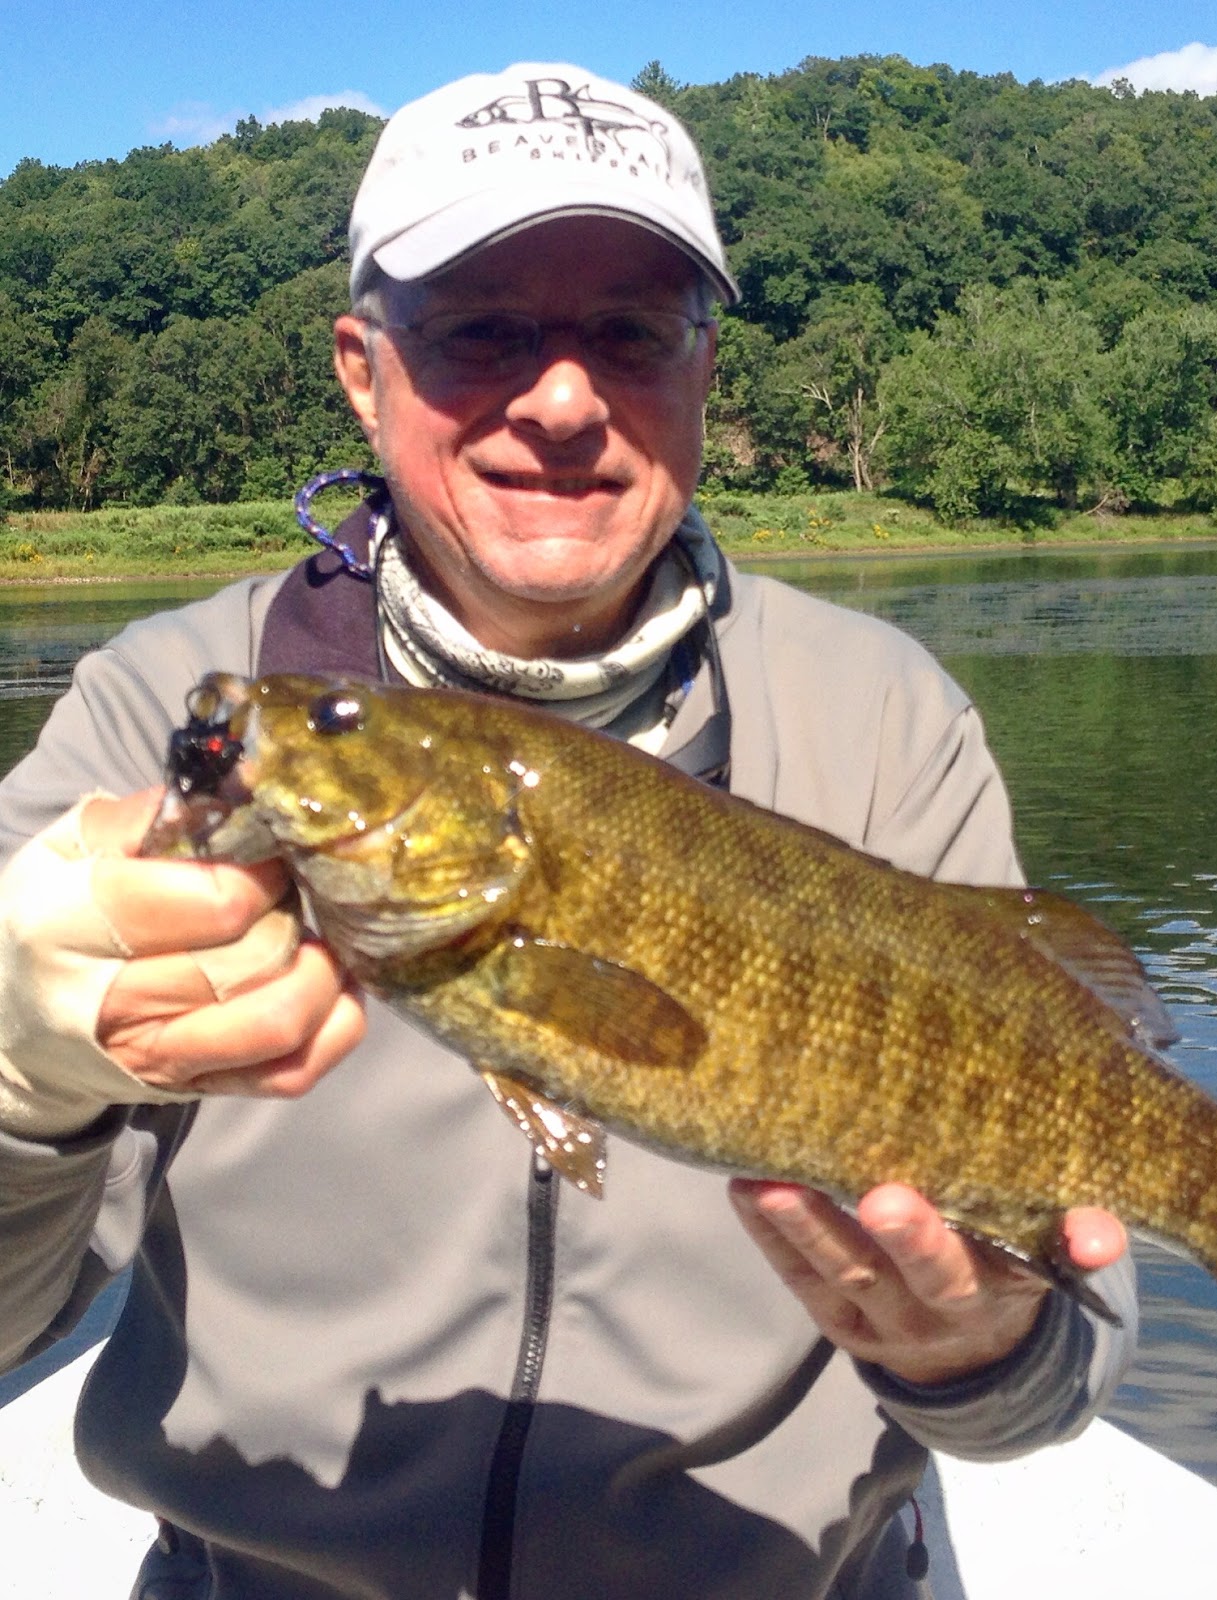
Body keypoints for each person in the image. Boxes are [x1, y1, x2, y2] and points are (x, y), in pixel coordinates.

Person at [0, 63, 1137, 1600]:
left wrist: (983, 1352)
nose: (559, 400)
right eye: (482, 331)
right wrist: (19, 1085)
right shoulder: (162, 716)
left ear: (705, 368)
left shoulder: (885, 720)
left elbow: (1055, 1376)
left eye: (631, 332)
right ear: (361, 368)